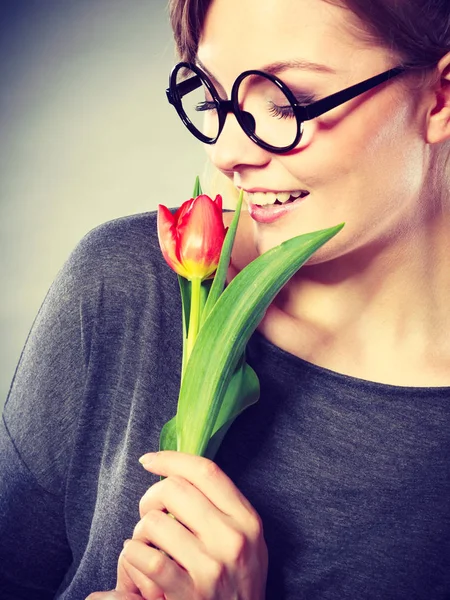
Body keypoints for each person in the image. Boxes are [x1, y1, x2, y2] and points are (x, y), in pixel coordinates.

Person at [1, 0, 450, 598]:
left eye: (286, 100)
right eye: (215, 99)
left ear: (441, 96)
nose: (226, 153)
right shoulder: (127, 286)